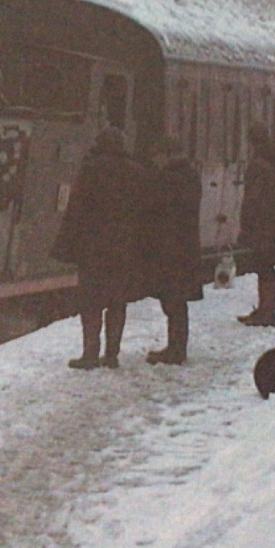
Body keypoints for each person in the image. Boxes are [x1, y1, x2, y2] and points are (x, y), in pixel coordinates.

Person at [51, 126, 150, 369]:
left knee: (91, 302)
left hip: (93, 246)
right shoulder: (136, 172)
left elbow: (77, 208)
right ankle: (112, 354)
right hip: (124, 246)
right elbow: (144, 211)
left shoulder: (91, 169)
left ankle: (90, 353)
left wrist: (66, 245)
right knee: (117, 301)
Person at [144, 135, 203, 365]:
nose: (155, 161)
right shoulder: (189, 176)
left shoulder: (169, 178)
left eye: (157, 156)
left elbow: (159, 212)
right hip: (184, 246)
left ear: (167, 154)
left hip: (171, 248)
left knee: (173, 300)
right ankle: (177, 347)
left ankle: (176, 350)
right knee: (176, 300)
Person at [236, 121, 275, 328]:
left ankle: (266, 311)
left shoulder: (259, 164)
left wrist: (246, 224)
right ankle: (266, 309)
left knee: (263, 264)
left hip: (262, 222)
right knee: (266, 265)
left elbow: (253, 197)